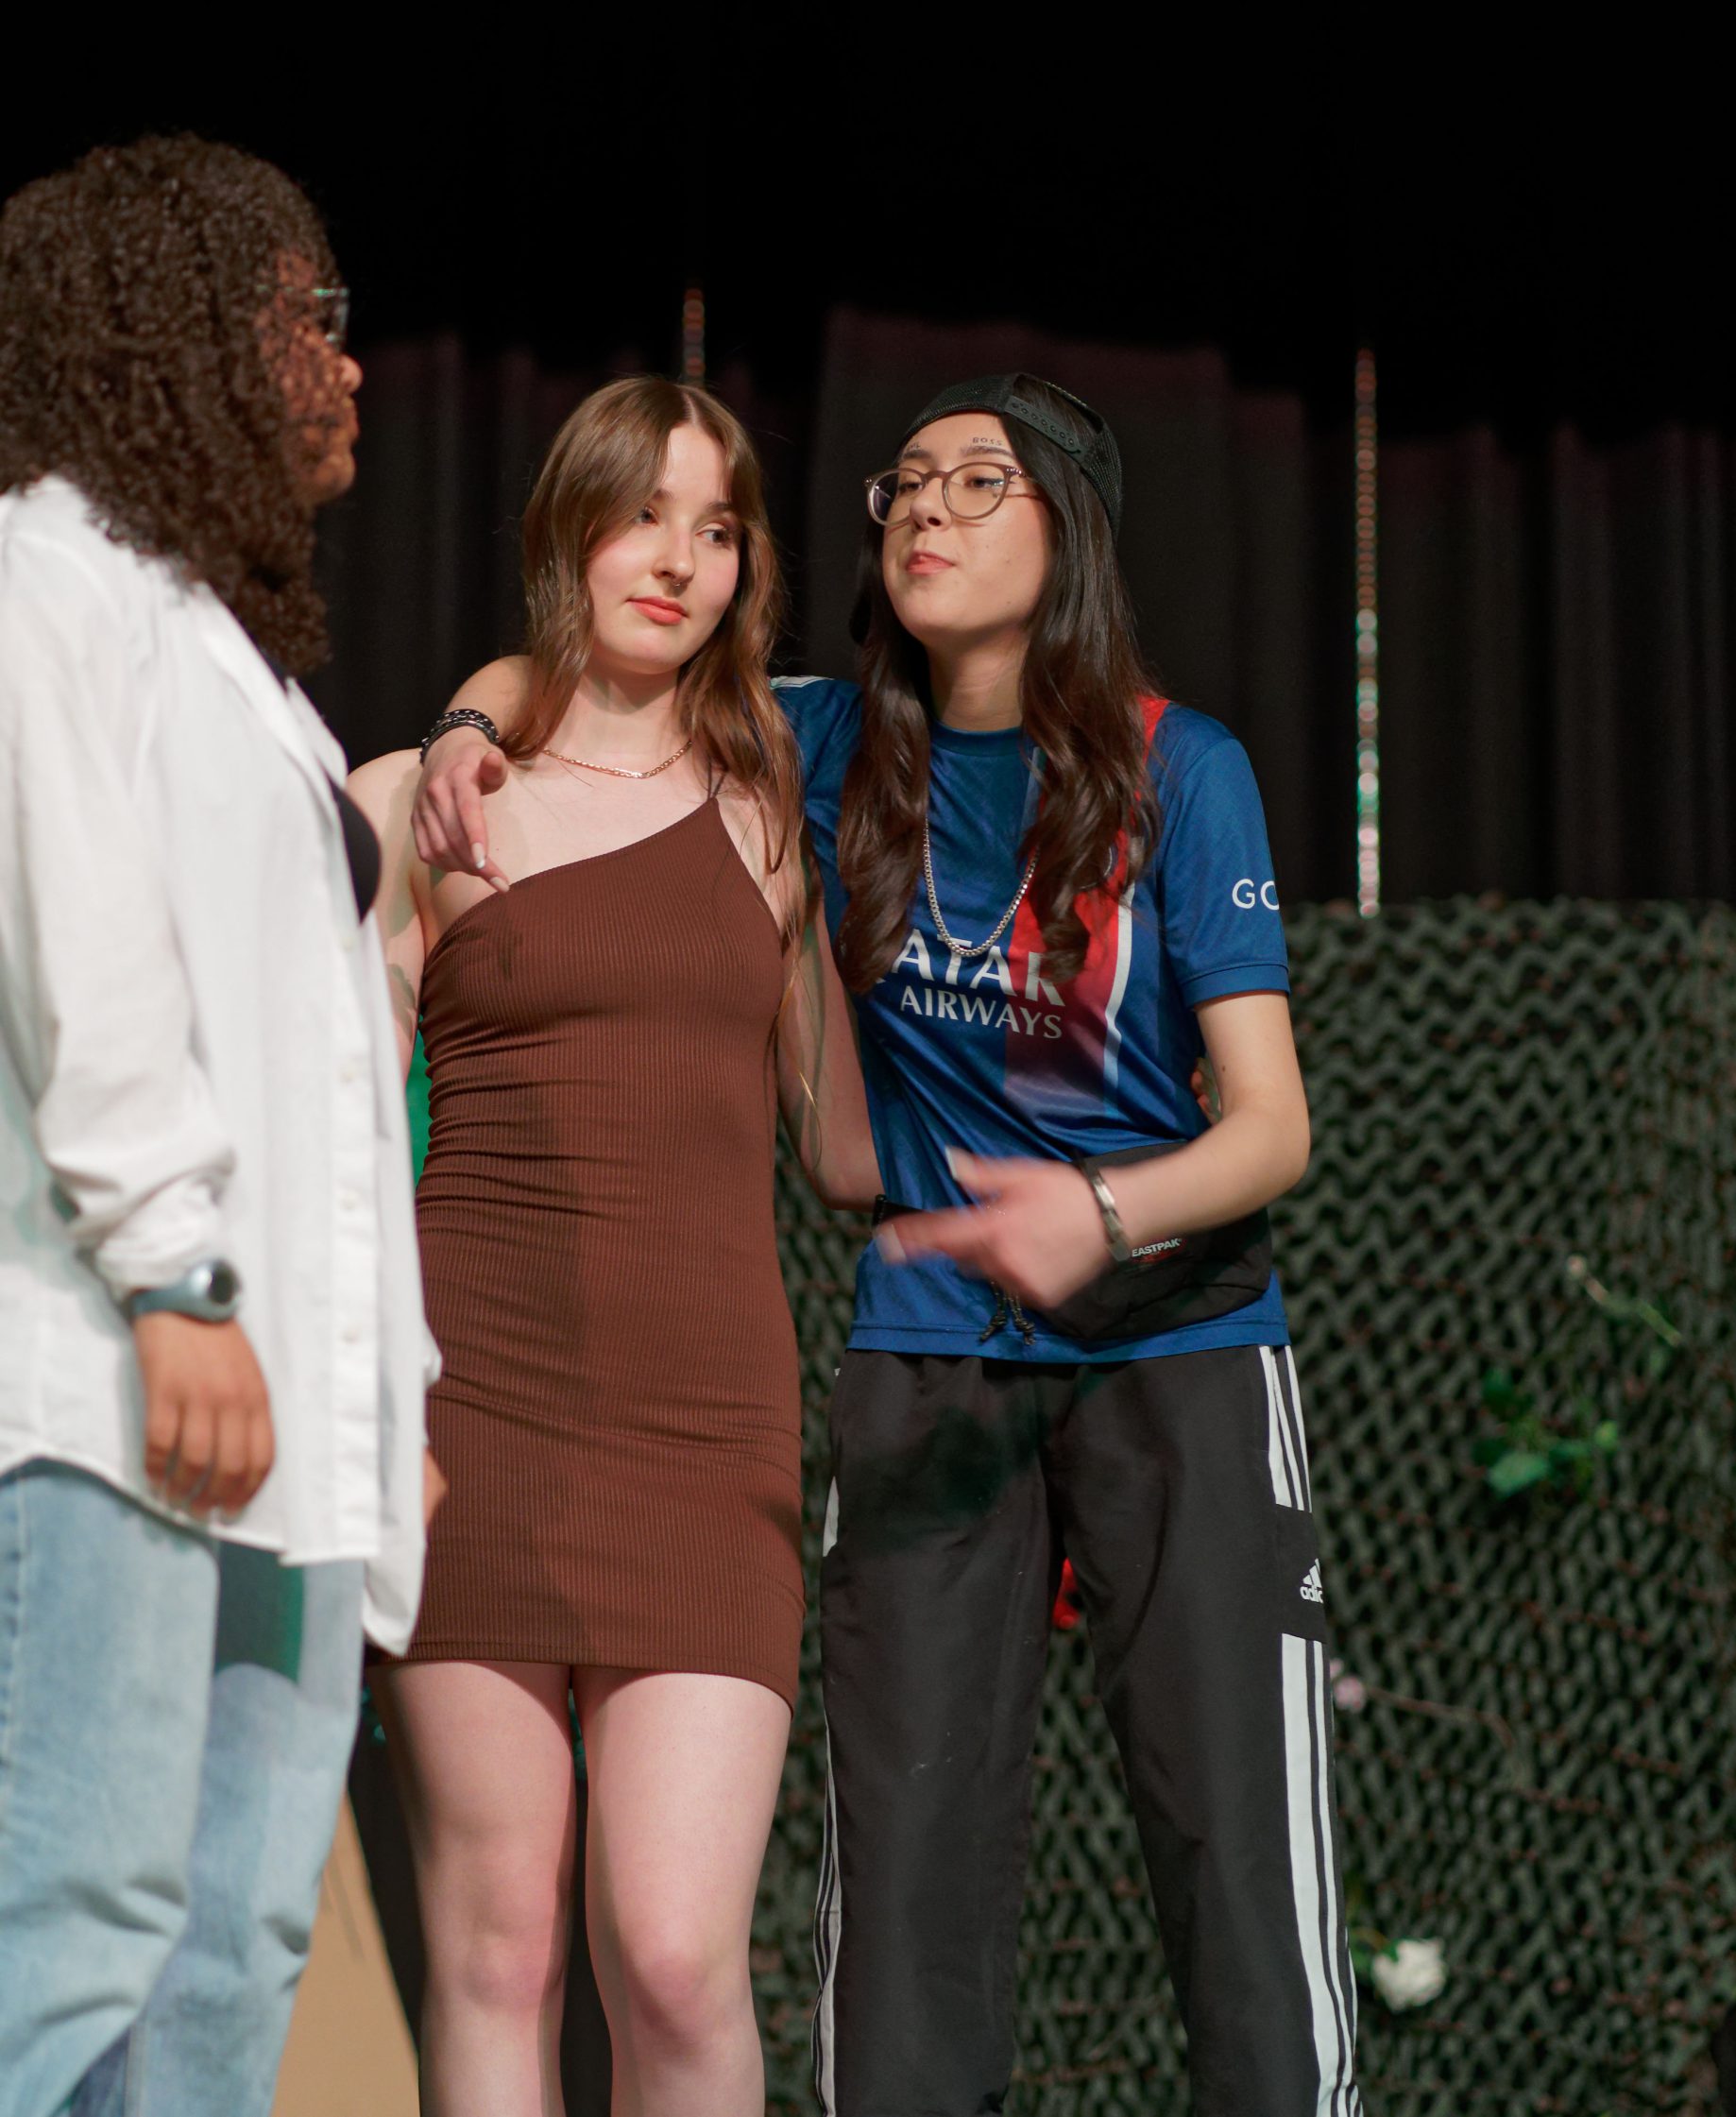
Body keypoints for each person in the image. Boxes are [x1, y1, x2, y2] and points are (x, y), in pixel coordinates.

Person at [417, 372, 1359, 2115]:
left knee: (1238, 1866)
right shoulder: (817, 741)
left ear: (1071, 527)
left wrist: (1098, 1211)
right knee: (907, 1887)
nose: (926, 506)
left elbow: (1272, 1128)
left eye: (978, 481)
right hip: (933, 1353)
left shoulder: (1182, 763)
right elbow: (581, 671)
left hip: (1180, 1344)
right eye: (904, 480)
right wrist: (468, 721)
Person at [350, 373, 874, 2115]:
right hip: (474, 1409)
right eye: (642, 512)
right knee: (497, 1949)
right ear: (564, 526)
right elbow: (336, 1129)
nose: (677, 559)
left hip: (708, 1425)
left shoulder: (777, 800)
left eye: (717, 527)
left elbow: (846, 1145)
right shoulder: (422, 797)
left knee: (672, 1953)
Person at [0, 136, 435, 2115]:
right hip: (127, 1378)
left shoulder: (230, 652)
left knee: (235, 1939)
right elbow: (84, 959)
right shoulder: (48, 577)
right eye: (306, 318)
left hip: (295, 1428)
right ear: (176, 337)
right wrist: (174, 1277)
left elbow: (323, 1076)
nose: (345, 364)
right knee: (70, 1913)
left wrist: (387, 1393)